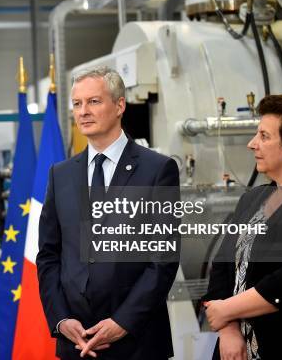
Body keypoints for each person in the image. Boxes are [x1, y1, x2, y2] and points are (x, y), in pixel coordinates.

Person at [36, 66, 180, 360]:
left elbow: (162, 259)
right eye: (77, 104)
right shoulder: (60, 174)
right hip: (76, 342)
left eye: (94, 101)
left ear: (119, 105)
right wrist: (61, 319)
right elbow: (48, 255)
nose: (83, 111)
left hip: (136, 342)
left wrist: (123, 322)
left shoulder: (157, 170)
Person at [204, 93, 282, 359]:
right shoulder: (252, 198)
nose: (252, 144)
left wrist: (226, 310)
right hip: (234, 350)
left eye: (264, 136)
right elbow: (221, 265)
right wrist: (228, 331)